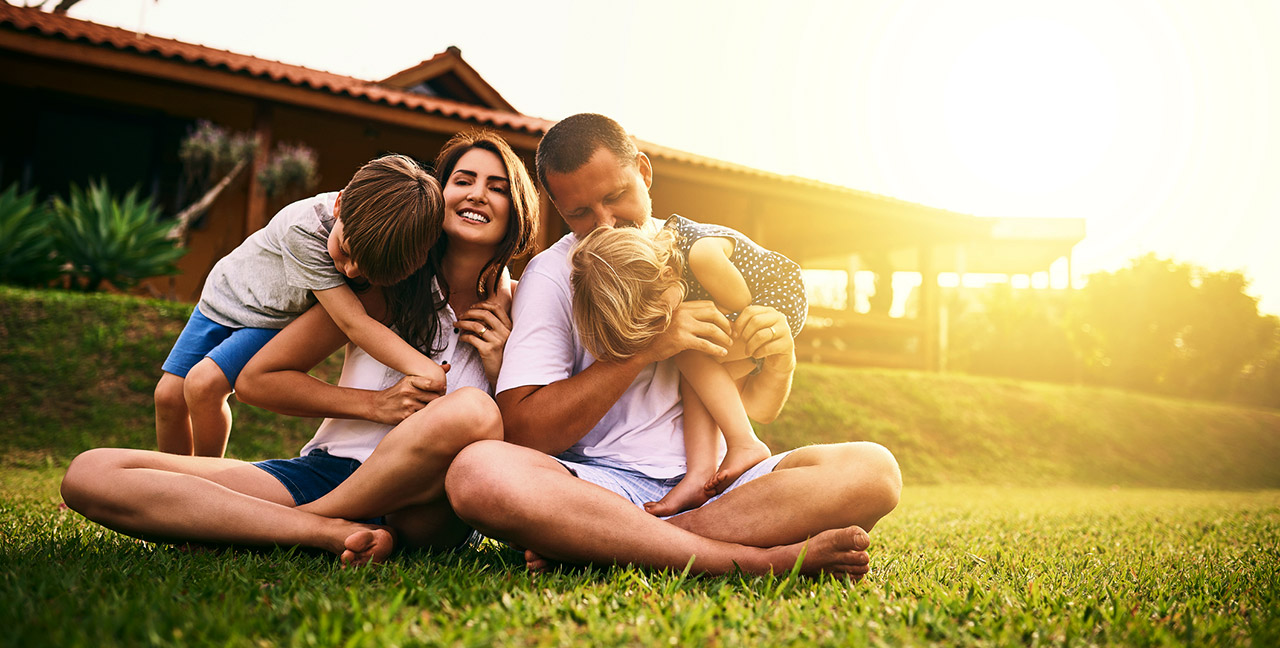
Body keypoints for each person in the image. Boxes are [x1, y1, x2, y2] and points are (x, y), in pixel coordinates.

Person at [445, 113, 902, 578]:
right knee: (476, 472)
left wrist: (780, 360)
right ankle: (758, 560)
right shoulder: (553, 273)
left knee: (874, 470)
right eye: (579, 213)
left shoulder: (706, 253)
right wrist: (647, 347)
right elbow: (524, 432)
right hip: (604, 486)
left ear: (643, 172)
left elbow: (752, 407)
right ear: (558, 208)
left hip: (726, 485)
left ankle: (620, 540)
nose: (604, 223)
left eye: (615, 197)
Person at [60, 130, 538, 563]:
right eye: (464, 179)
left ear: (518, 207)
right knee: (92, 472)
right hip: (329, 471)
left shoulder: (524, 308)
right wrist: (377, 405)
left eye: (497, 186)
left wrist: (500, 366)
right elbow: (258, 380)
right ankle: (321, 531)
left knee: (472, 411)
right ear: (439, 195)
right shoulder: (385, 284)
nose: (478, 193)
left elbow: (532, 444)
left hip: (432, 503)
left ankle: (303, 521)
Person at [155, 154, 446, 458]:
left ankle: (200, 480)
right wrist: (424, 369)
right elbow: (353, 322)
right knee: (168, 396)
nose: (349, 271)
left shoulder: (369, 233)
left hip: (267, 316)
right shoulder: (306, 230)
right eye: (346, 252)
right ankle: (166, 488)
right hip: (224, 296)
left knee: (204, 385)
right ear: (339, 204)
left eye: (364, 270)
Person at [569, 215, 806, 515]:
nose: (662, 328)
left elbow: (740, 301)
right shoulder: (671, 264)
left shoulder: (700, 255)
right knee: (696, 376)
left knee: (691, 354)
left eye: (659, 318)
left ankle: (745, 443)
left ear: (667, 274)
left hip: (775, 300)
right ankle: (701, 473)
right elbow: (759, 407)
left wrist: (724, 332)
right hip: (755, 308)